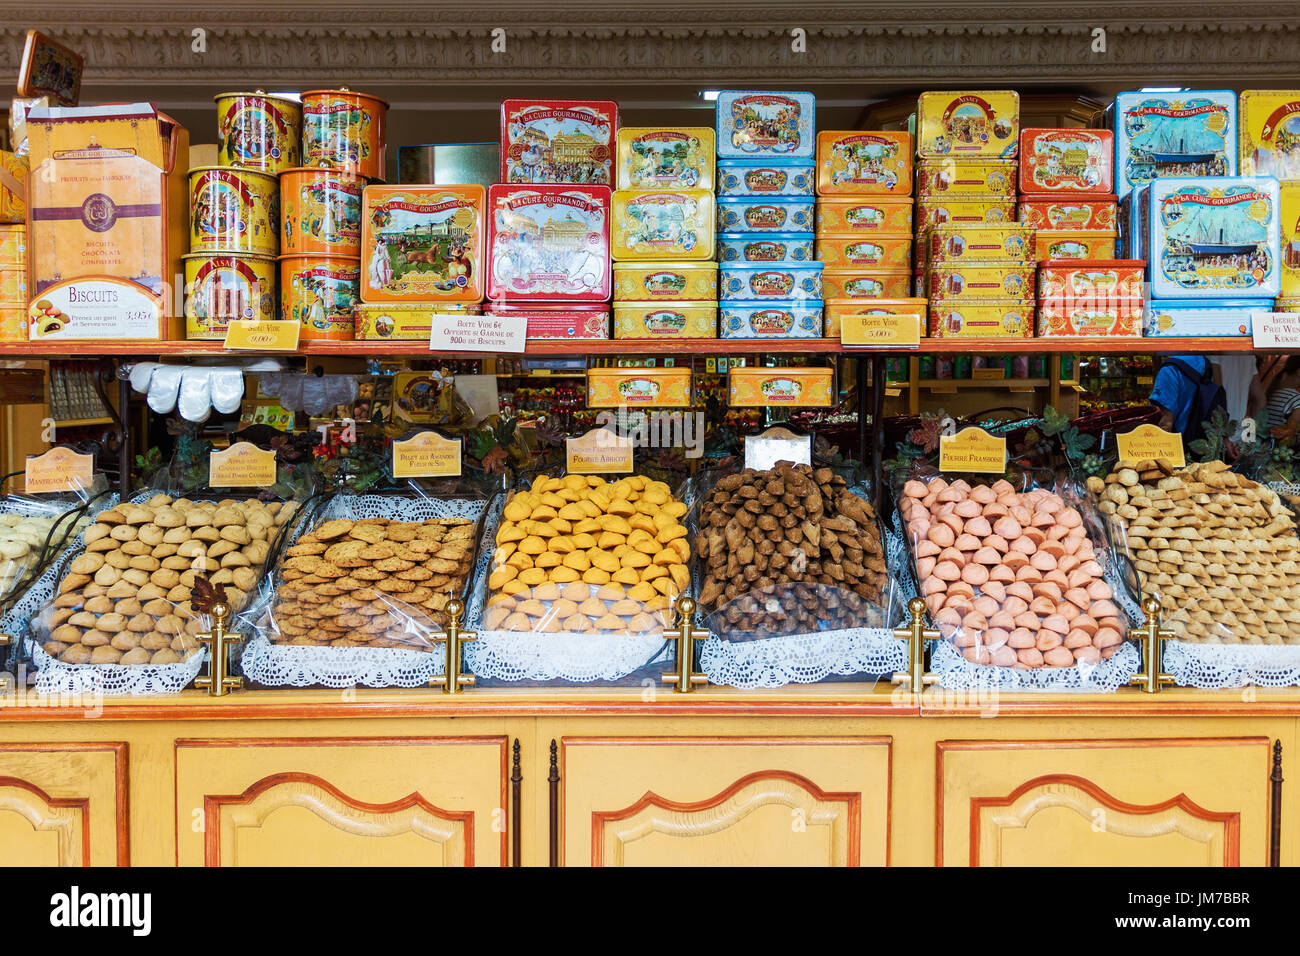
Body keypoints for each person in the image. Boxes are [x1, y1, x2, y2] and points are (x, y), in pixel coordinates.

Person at [1149, 353, 1223, 439]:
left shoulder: (1169, 371)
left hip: (1178, 442)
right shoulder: (1203, 362)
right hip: (1201, 438)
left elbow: (1165, 424)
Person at [1266, 356, 1300, 444]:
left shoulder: (1272, 392)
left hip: (1264, 447)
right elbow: (1292, 430)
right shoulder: (1296, 399)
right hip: (1278, 451)